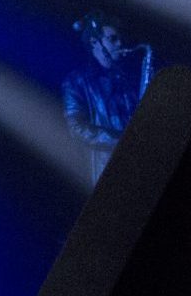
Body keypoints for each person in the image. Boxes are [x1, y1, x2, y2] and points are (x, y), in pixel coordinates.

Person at [62, 10, 154, 183]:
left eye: (119, 38)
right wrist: (123, 141)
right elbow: (76, 128)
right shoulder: (76, 82)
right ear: (94, 43)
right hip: (109, 173)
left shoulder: (127, 76)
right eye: (113, 39)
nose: (120, 43)